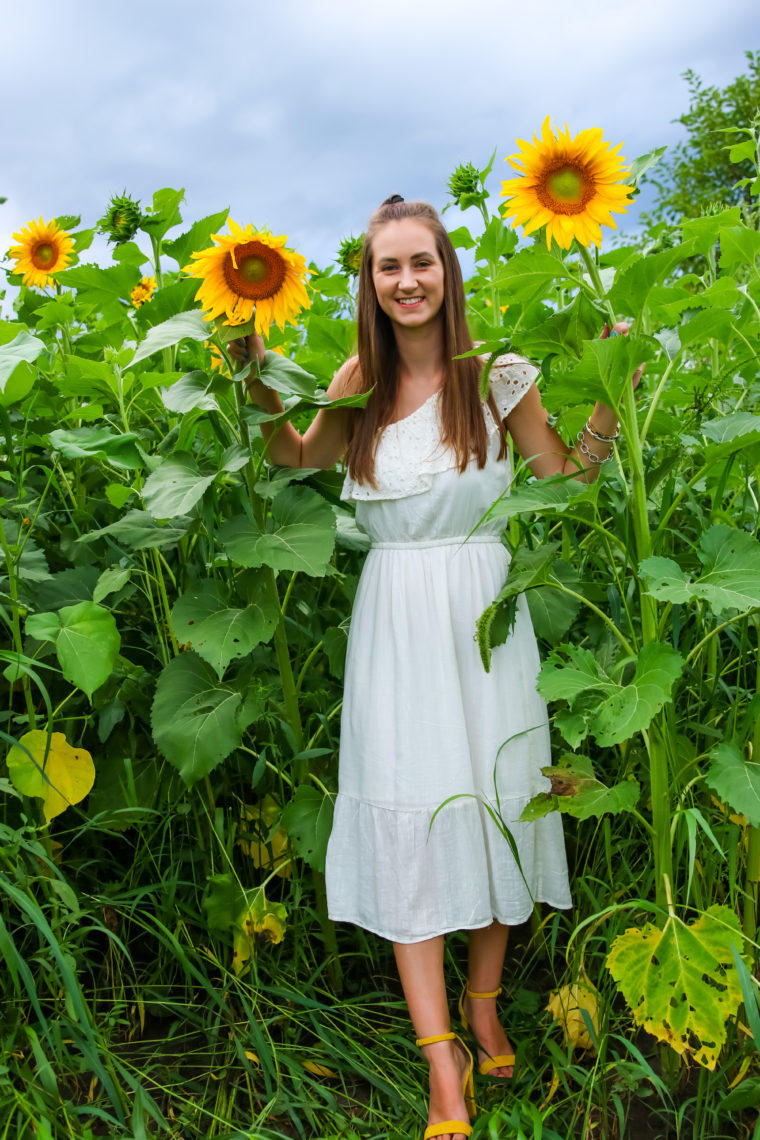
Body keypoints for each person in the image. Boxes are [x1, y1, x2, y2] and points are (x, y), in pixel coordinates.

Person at [232, 196, 642, 1140]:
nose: (406, 282)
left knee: (495, 802)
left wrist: (611, 397)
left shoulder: (495, 378)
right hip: (396, 620)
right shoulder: (356, 380)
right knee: (410, 809)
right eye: (388, 268)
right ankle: (441, 1065)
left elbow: (565, 481)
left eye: (422, 263)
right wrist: (254, 374)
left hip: (487, 615)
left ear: (447, 273)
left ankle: (486, 1001)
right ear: (369, 284)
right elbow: (295, 456)